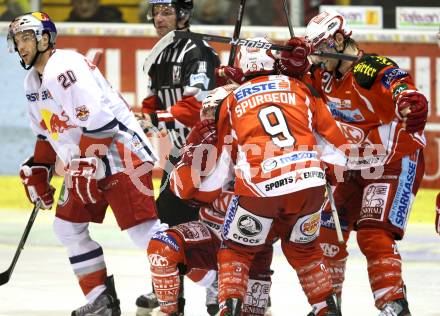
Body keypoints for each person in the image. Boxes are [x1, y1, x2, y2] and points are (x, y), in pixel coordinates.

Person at [8, 11, 166, 315]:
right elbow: (47, 133)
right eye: (17, 39)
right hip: (87, 159)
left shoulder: (64, 67)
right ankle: (101, 300)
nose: (21, 45)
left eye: (27, 37)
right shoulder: (32, 82)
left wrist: (82, 164)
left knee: (143, 231)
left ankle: (209, 280)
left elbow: (101, 123)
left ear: (44, 38)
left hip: (120, 153)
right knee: (67, 228)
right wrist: (39, 169)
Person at [301, 10, 428, 315]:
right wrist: (287, 63)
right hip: (355, 162)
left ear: (340, 39)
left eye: (320, 51)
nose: (317, 61)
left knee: (373, 234)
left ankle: (393, 306)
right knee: (327, 230)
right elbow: (294, 81)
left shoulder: (370, 69)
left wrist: (408, 99)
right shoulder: (324, 73)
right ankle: (330, 307)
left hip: (394, 159)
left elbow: (398, 83)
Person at [214, 38, 349, 316]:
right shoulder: (301, 88)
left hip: (260, 190)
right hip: (308, 187)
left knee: (236, 250)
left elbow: (222, 163)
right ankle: (327, 309)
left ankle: (230, 309)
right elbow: (340, 150)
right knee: (306, 251)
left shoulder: (231, 99)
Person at [145, 85, 275, 316]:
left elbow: (204, 191)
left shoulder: (262, 146)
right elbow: (181, 192)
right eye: (205, 110)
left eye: (213, 111)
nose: (206, 118)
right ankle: (172, 309)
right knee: (161, 246)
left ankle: (228, 287)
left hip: (248, 245)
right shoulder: (202, 143)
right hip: (211, 234)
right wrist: (192, 152)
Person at [135, 0, 220, 314]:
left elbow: (196, 106)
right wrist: (145, 118)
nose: (159, 17)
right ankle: (169, 287)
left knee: (208, 222)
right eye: (156, 12)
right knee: (169, 218)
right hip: (178, 153)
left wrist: (156, 118)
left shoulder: (197, 52)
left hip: (207, 152)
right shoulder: (159, 52)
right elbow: (151, 99)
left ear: (183, 15)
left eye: (166, 11)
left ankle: (217, 288)